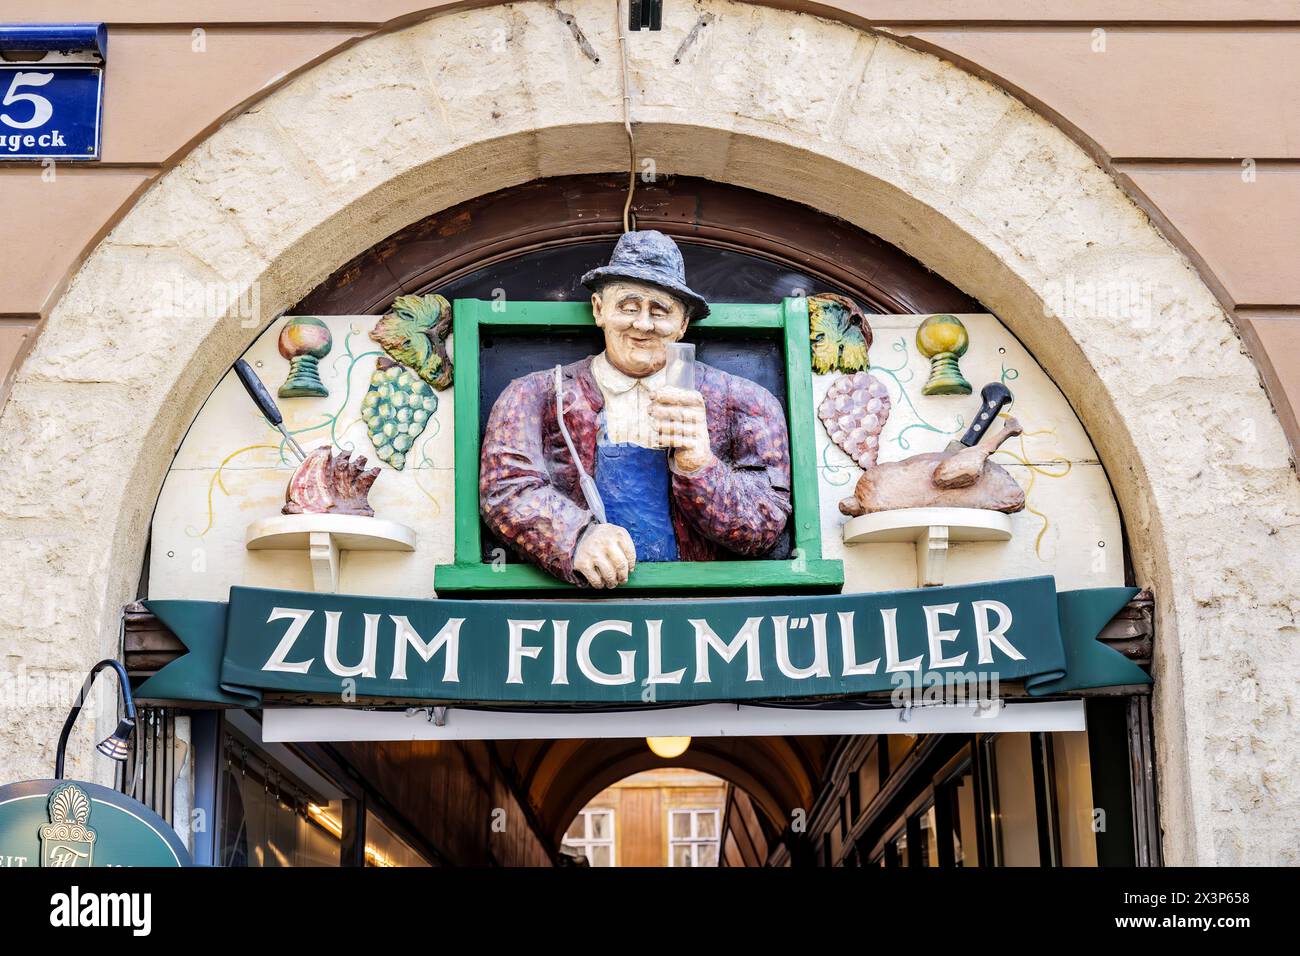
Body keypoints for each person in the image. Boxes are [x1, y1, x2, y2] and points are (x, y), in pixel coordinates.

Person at [479, 230, 791, 588]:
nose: (643, 324)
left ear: (683, 325)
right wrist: (573, 537)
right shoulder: (535, 395)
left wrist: (700, 468)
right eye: (628, 306)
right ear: (599, 310)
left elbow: (766, 524)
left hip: (700, 604)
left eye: (660, 311)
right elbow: (506, 490)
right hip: (580, 603)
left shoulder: (745, 401)